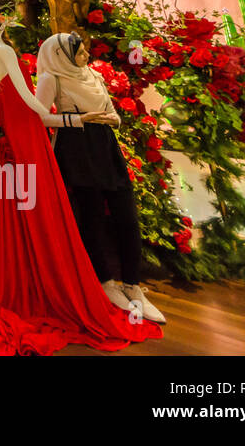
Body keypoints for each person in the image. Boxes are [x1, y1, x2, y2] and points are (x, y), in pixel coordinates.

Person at [0, 5, 162, 354]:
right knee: (44, 208)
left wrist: (80, 118)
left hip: (21, 128)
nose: (11, 15)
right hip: (25, 129)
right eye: (7, 10)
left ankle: (43, 276)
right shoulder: (1, 48)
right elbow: (32, 105)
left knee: (39, 207)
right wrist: (76, 120)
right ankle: (56, 281)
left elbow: (24, 103)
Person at [35, 32, 165, 323]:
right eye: (79, 53)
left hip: (105, 146)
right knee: (90, 219)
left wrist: (111, 119)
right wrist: (77, 120)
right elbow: (39, 115)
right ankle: (105, 281)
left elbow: (110, 110)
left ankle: (133, 284)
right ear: (61, 56)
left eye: (84, 51)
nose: (85, 57)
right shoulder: (51, 78)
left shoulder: (91, 75)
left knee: (127, 217)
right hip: (76, 150)